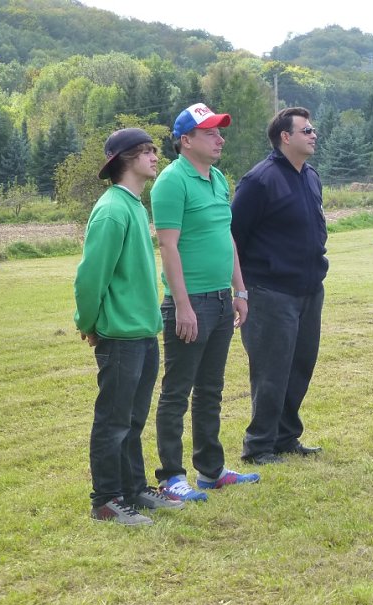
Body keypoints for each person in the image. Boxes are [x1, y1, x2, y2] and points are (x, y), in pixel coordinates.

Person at [151, 103, 260, 501]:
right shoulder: (171, 181)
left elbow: (227, 238)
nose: (220, 139)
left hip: (219, 299)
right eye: (210, 132)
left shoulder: (217, 179)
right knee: (178, 391)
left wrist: (240, 290)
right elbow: (168, 244)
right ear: (186, 140)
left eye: (219, 131)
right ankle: (171, 476)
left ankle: (211, 470)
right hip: (189, 301)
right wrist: (182, 304)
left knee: (211, 388)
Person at [75, 128, 183, 525]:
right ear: (125, 159)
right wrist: (86, 323)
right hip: (119, 336)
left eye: (155, 150)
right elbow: (90, 278)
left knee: (134, 420)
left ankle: (133, 489)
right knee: (113, 421)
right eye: (147, 151)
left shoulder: (136, 205)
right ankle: (105, 500)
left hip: (143, 332)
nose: (156, 156)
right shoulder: (112, 210)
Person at [231, 107, 327, 465]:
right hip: (270, 291)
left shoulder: (311, 177)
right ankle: (258, 446)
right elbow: (233, 238)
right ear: (285, 137)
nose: (314, 134)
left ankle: (286, 437)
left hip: (309, 289)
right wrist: (240, 290)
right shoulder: (259, 180)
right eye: (306, 130)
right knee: (271, 371)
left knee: (300, 366)